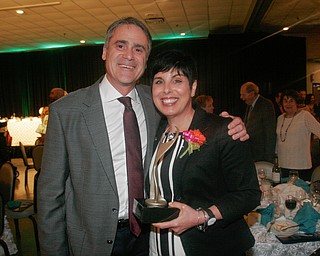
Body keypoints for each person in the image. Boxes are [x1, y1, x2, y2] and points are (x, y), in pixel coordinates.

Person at [37, 17, 249, 256]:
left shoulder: (157, 100)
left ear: (146, 60)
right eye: (121, 45)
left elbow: (194, 121)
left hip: (151, 236)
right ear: (105, 51)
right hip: (93, 240)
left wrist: (228, 125)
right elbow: (50, 196)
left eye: (138, 49)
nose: (129, 55)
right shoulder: (67, 111)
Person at [148, 50, 260, 256]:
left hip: (208, 246)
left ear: (193, 87)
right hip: (159, 246)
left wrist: (202, 216)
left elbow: (249, 194)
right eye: (159, 81)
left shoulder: (222, 131)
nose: (167, 90)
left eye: (177, 80)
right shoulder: (154, 132)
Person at [276, 89, 320, 181]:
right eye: (285, 101)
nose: (288, 104)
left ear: (297, 102)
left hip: (301, 166)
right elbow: (279, 140)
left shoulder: (305, 116)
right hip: (283, 165)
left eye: (291, 101)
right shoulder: (280, 118)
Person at [240, 82, 276, 163]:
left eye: (243, 94)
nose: (241, 97)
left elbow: (269, 132)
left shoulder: (266, 105)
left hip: (262, 154)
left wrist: (268, 158)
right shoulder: (249, 105)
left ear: (252, 94)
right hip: (252, 153)